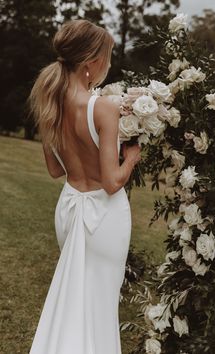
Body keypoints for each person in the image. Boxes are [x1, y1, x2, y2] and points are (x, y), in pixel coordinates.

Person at [28, 18, 141, 354]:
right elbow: (111, 183)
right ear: (92, 63)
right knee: (100, 304)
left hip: (68, 209)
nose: (107, 64)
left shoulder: (51, 101)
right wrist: (132, 156)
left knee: (75, 298)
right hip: (104, 218)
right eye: (106, 57)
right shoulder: (103, 108)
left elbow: (53, 169)